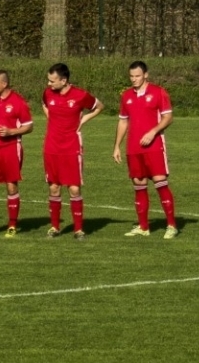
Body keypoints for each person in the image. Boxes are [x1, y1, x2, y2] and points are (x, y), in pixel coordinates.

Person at [114, 60, 177, 239]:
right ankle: (143, 227)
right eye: (131, 76)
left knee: (160, 182)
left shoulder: (158, 92)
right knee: (139, 184)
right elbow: (123, 120)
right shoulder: (126, 95)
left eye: (138, 76)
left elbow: (168, 117)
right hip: (133, 148)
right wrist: (117, 146)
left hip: (154, 146)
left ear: (146, 75)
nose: (134, 79)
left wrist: (153, 131)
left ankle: (171, 225)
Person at [40, 62, 103, 239]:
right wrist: (50, 117)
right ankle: (54, 227)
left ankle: (78, 229)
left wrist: (84, 120)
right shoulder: (48, 93)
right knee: (53, 187)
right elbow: (44, 103)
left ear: (64, 80)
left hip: (71, 147)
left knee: (74, 189)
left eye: (52, 81)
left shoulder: (80, 95)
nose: (49, 84)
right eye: (49, 80)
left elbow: (99, 106)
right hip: (51, 147)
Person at [0, 70, 33, 237]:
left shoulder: (18, 102)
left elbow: (29, 126)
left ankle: (12, 225)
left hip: (11, 149)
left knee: (11, 186)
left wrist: (11, 131)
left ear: (4, 84)